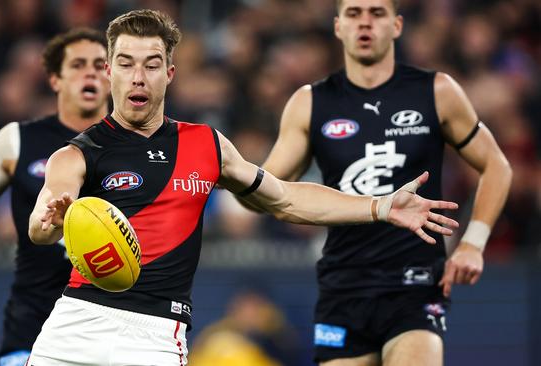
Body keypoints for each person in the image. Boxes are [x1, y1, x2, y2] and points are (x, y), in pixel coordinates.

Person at [26, 10, 458, 365]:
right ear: (108, 71)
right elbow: (42, 221)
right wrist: (52, 217)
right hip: (74, 327)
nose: (138, 76)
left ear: (170, 72)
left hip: (153, 336)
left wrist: (381, 206)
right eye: (125, 63)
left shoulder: (207, 145)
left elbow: (285, 198)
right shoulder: (77, 154)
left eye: (151, 64)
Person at [255, 1, 513, 365]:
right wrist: (233, 177)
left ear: (397, 25)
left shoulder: (436, 90)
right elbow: (267, 190)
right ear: (337, 26)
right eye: (354, 13)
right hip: (342, 287)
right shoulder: (311, 103)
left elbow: (497, 166)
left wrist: (473, 242)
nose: (365, 23)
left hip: (416, 285)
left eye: (377, 13)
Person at [0, 28, 111, 366]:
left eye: (100, 65)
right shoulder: (17, 140)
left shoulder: (136, 147)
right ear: (55, 79)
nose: (90, 73)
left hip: (111, 327)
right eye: (78, 65)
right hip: (33, 328)